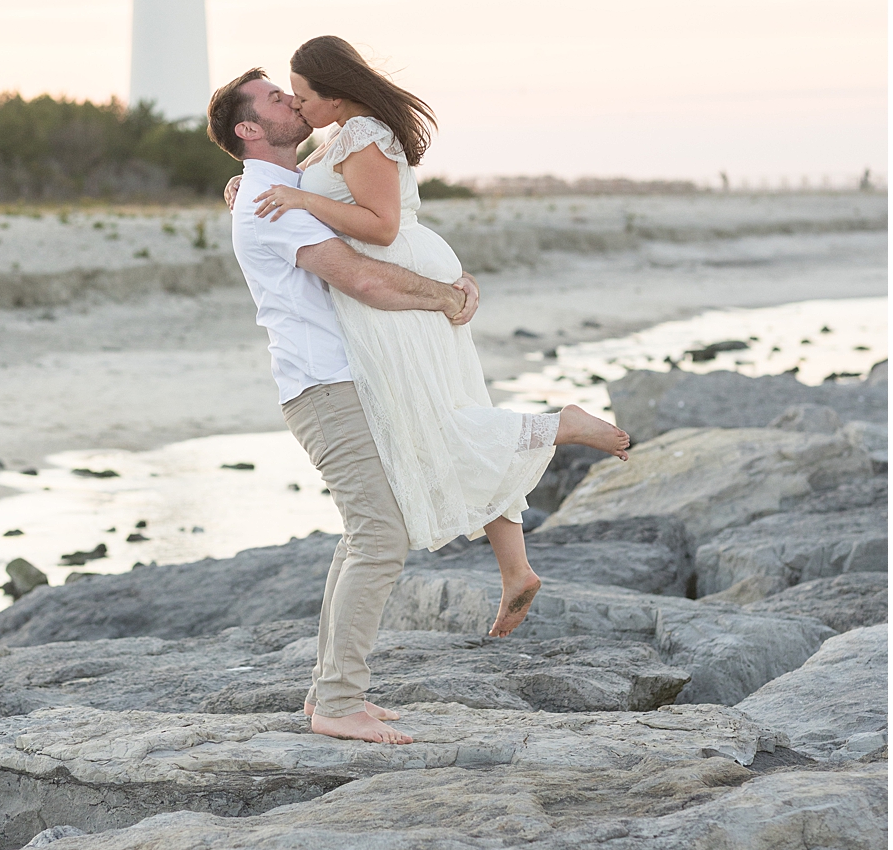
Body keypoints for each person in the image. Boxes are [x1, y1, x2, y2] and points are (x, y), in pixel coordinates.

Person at [233, 41, 630, 639]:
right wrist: (246, 185)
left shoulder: (363, 134)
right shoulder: (337, 136)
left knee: (438, 423)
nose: (296, 103)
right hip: (395, 285)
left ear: (335, 96)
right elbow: (293, 185)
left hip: (397, 285)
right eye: (286, 96)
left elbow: (382, 226)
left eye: (303, 95)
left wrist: (300, 197)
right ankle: (516, 569)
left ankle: (559, 427)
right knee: (448, 417)